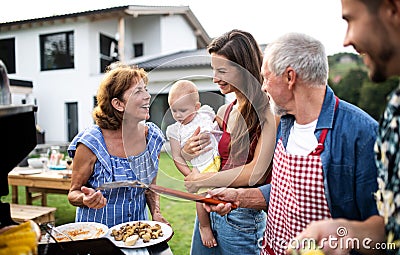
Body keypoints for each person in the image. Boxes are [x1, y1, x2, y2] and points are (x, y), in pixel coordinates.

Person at [203, 32, 380, 255]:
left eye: (266, 78)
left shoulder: (362, 134)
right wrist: (239, 197)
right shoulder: (285, 124)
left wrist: (341, 233)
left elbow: (387, 233)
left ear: (290, 77)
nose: (263, 87)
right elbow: (284, 192)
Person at [294, 0, 400, 254]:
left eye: (350, 20)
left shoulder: (362, 128)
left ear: (393, 9)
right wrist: (347, 232)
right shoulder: (394, 109)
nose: (346, 40)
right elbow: (392, 230)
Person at [183, 29, 277, 255]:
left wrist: (202, 179)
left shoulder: (268, 113)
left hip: (241, 216)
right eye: (214, 70)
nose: (215, 78)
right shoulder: (224, 111)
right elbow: (211, 157)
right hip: (210, 209)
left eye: (222, 71)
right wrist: (188, 151)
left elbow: (255, 172)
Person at [67, 63, 169, 228]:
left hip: (136, 233)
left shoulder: (152, 137)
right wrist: (85, 199)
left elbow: (151, 187)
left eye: (146, 90)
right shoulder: (90, 142)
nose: (147, 96)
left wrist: (156, 212)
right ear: (118, 104)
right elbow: (73, 193)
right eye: (138, 91)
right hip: (97, 236)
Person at [166, 79, 221, 248]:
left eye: (183, 110)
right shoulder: (175, 130)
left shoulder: (205, 114)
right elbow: (177, 157)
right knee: (201, 197)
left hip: (219, 158)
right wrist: (191, 176)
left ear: (197, 107)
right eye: (174, 110)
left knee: (220, 194)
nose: (178, 115)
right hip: (201, 166)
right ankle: (204, 226)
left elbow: (220, 124)